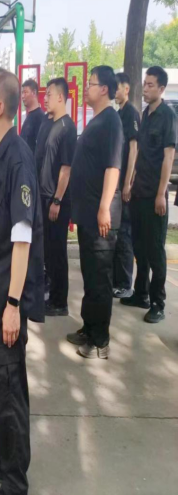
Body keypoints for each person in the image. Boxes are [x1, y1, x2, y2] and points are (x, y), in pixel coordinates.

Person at [0, 68, 44, 495]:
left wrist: (13, 304)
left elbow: (22, 237)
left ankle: (15, 481)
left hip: (4, 302)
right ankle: (4, 461)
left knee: (10, 390)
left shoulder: (18, 158)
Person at [66, 66, 123, 359]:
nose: (87, 88)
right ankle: (89, 328)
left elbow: (113, 167)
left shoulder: (111, 120)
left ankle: (100, 341)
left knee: (100, 280)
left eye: (91, 83)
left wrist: (103, 208)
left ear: (104, 89)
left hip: (101, 217)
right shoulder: (97, 120)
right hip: (88, 214)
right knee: (90, 276)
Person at [122, 66, 177, 323]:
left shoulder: (167, 116)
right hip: (139, 192)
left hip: (155, 194)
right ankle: (141, 293)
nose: (145, 88)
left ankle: (158, 303)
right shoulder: (145, 114)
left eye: (150, 85)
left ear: (162, 88)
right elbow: (141, 153)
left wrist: (161, 193)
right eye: (144, 84)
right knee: (140, 246)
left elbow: (168, 157)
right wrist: (131, 181)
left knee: (155, 251)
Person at [39, 78, 77, 317]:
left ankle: (59, 302)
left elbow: (66, 168)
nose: (45, 98)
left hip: (57, 201)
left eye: (49, 94)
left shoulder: (67, 128)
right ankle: (51, 293)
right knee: (47, 251)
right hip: (43, 197)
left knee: (57, 252)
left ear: (61, 97)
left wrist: (57, 200)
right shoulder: (48, 123)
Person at [112, 73, 140, 299]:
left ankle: (125, 283)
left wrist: (128, 182)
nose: (115, 91)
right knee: (117, 233)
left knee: (124, 235)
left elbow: (133, 149)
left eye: (118, 87)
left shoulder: (131, 113)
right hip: (116, 182)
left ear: (126, 89)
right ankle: (116, 279)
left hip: (124, 184)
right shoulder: (118, 113)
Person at [20, 78, 46, 154]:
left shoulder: (40, 117)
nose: (22, 96)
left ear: (34, 93)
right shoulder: (29, 116)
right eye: (22, 93)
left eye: (25, 92)